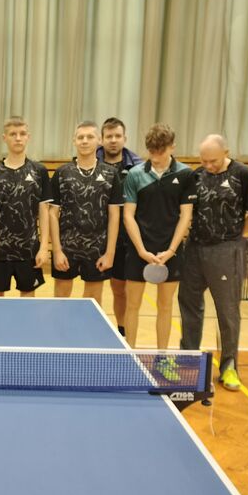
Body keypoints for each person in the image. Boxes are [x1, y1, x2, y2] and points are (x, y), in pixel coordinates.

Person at [179, 135, 248, 391]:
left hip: (226, 252)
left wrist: (235, 237)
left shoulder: (243, 174)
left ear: (226, 152)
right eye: (203, 160)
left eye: (213, 161)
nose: (208, 165)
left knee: (227, 311)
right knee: (189, 306)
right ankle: (188, 359)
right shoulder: (197, 175)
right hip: (194, 250)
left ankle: (229, 367)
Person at [122, 123, 195, 378]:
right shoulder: (135, 174)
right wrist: (141, 250)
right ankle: (129, 358)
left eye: (160, 150)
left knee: (165, 306)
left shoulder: (185, 175)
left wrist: (172, 250)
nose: (155, 155)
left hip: (170, 251)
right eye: (151, 150)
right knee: (133, 305)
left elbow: (186, 216)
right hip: (139, 249)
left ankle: (162, 358)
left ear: (172, 147)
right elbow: (128, 215)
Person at [49, 121, 122, 307]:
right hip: (66, 248)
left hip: (97, 249)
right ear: (74, 141)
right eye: (80, 137)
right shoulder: (62, 173)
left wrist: (110, 253)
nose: (85, 141)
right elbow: (52, 214)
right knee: (60, 301)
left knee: (93, 302)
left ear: (99, 141)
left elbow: (114, 215)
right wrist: (57, 251)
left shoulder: (111, 174)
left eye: (90, 137)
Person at [0, 117, 51, 296]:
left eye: (22, 134)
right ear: (4, 138)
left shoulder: (39, 171)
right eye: (13, 134)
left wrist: (44, 247)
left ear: (28, 137)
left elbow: (44, 211)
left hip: (29, 251)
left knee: (27, 300)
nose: (18, 138)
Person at [96, 117, 142, 336]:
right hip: (95, 236)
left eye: (117, 136)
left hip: (125, 239)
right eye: (109, 136)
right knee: (93, 289)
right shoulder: (90, 162)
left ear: (125, 138)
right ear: (101, 139)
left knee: (120, 289)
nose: (113, 140)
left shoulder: (138, 167)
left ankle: (122, 333)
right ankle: (93, 333)